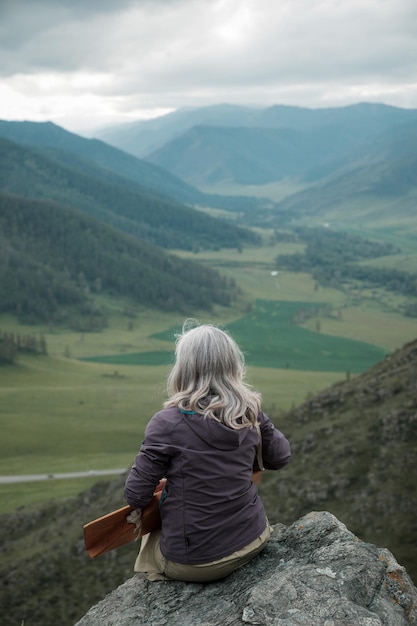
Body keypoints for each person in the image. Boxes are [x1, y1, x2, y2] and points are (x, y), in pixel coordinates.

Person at [124, 319, 291, 582]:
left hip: (198, 564)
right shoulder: (250, 412)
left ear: (183, 370)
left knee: (151, 534)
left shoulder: (166, 423)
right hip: (255, 539)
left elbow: (135, 495)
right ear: (233, 366)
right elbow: (280, 457)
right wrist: (259, 415)